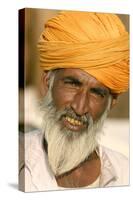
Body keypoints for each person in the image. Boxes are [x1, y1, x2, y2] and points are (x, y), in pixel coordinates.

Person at [19, 11, 129, 192]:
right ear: (47, 83)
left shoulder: (124, 173)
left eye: (96, 93)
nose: (79, 108)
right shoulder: (14, 158)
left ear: (111, 102)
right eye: (72, 84)